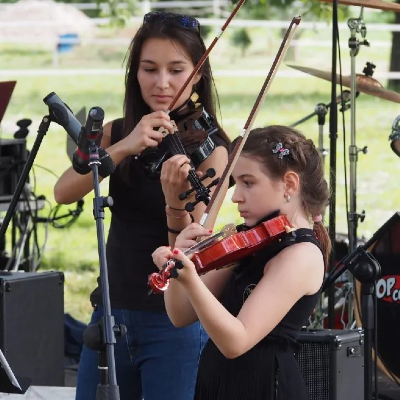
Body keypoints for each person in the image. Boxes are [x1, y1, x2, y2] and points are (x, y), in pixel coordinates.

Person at [54, 11, 230, 400]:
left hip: (173, 322)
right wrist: (124, 146)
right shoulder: (120, 131)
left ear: (198, 74)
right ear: (135, 72)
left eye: (176, 69)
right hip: (110, 313)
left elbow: (194, 240)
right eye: (149, 69)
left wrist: (174, 204)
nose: (162, 83)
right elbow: (63, 191)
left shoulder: (213, 149)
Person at [152, 125, 331, 400]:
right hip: (221, 384)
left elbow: (237, 341)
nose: (235, 196)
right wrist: (179, 260)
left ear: (290, 184)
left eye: (248, 182)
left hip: (263, 388)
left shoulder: (300, 255)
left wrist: (191, 280)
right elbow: (180, 315)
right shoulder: (249, 240)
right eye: (236, 183)